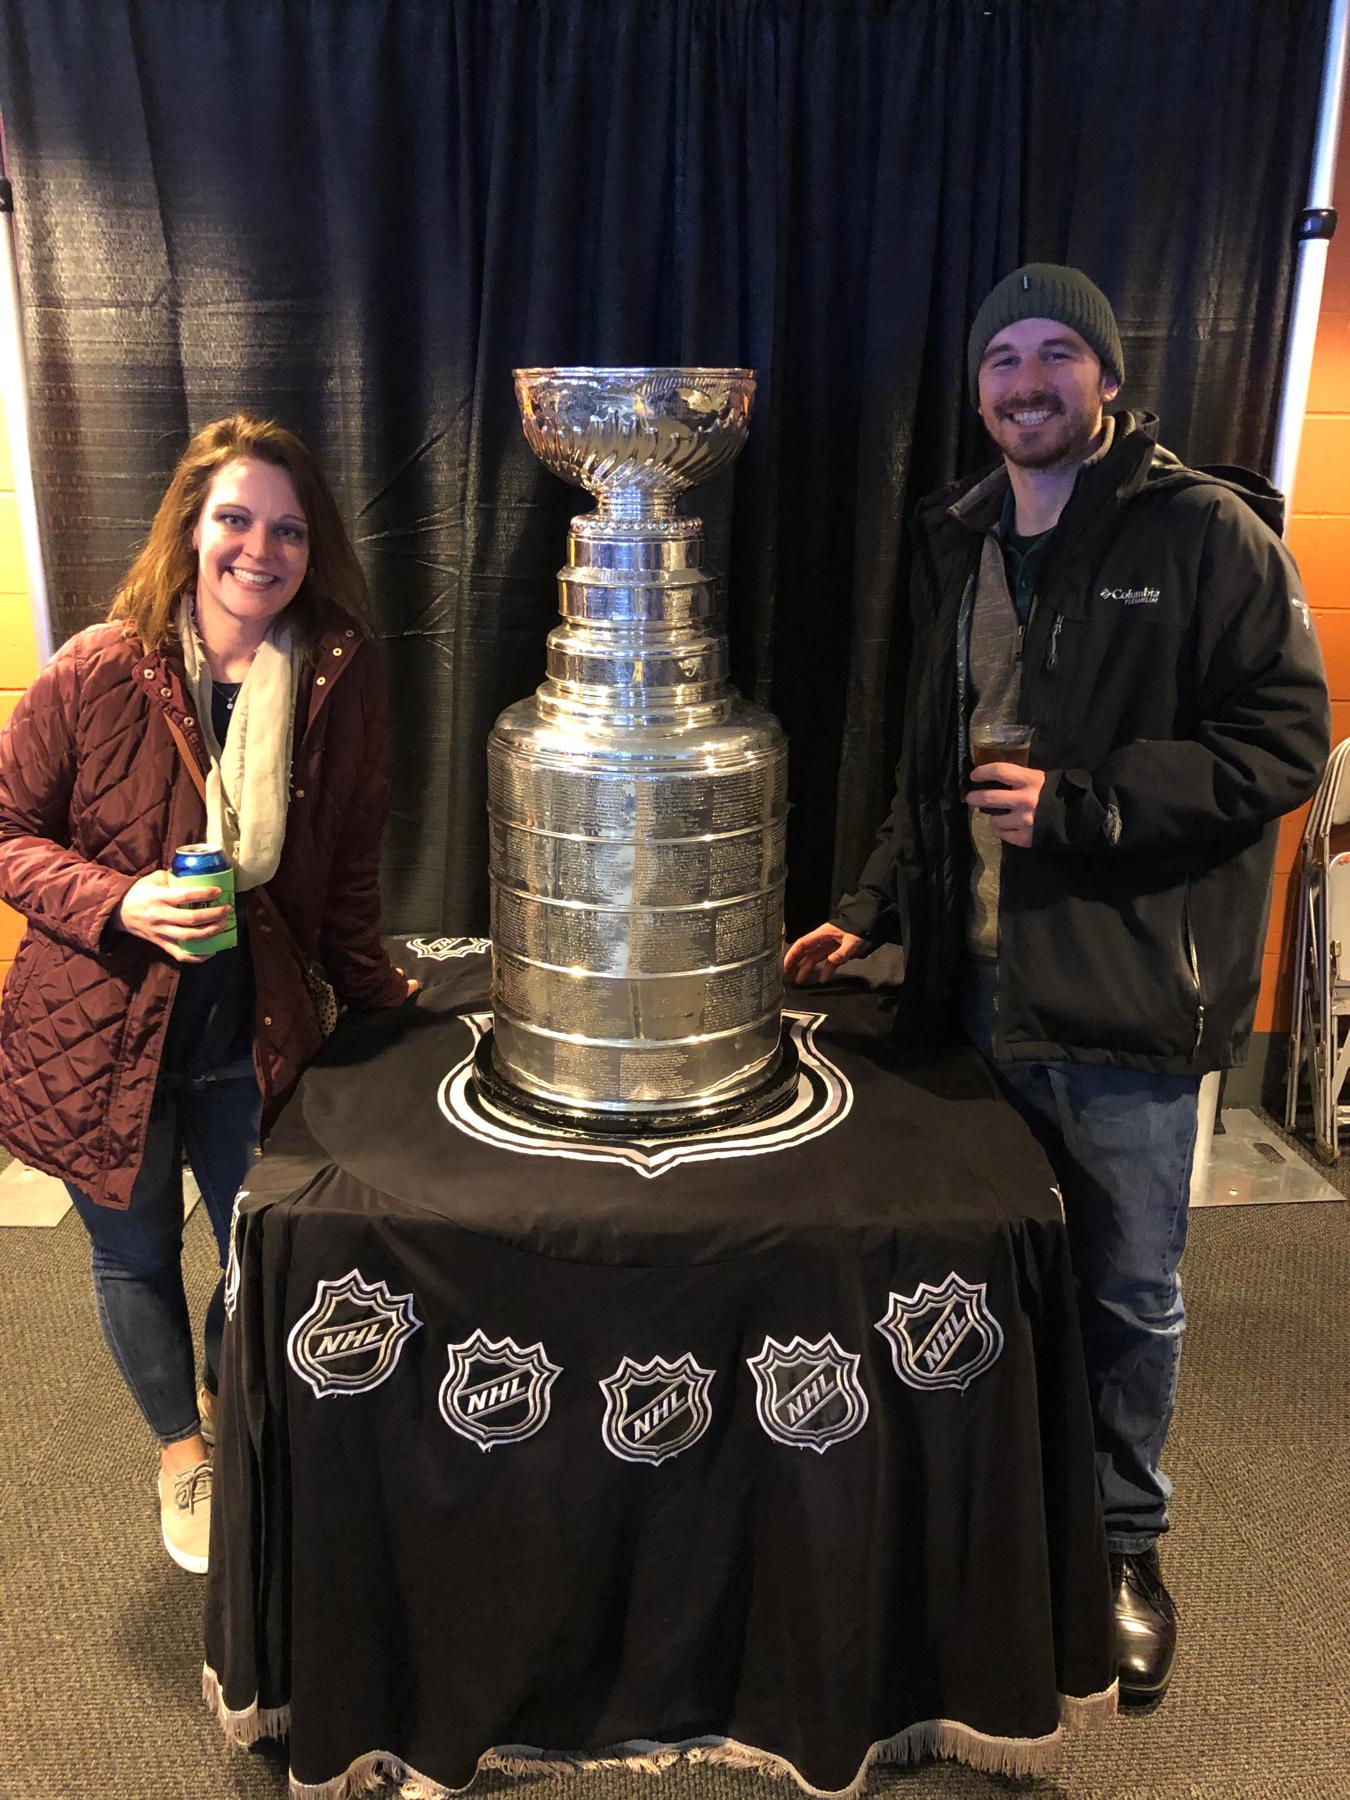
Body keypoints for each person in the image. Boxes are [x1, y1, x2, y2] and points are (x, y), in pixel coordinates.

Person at [784, 265, 1329, 1703]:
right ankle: (989, 1528)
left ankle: (1126, 1545)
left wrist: (1086, 807)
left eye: (1052, 355)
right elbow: (933, 766)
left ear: (1101, 375)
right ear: (977, 391)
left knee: (1124, 1290)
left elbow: (1283, 741)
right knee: (977, 1278)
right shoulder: (964, 539)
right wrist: (863, 913)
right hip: (965, 989)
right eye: (999, 361)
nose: (1023, 383)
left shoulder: (1200, 532)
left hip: (1122, 999)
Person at [0, 414, 417, 1574]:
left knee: (257, 1255)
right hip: (98, 1032)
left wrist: (382, 998)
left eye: (287, 529)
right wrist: (117, 900)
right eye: (234, 518)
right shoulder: (95, 667)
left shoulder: (337, 669)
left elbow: (347, 865)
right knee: (133, 1259)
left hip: (251, 1036)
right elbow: (5, 830)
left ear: (310, 545)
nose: (259, 548)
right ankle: (182, 1454)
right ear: (190, 527)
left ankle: (234, 1414)